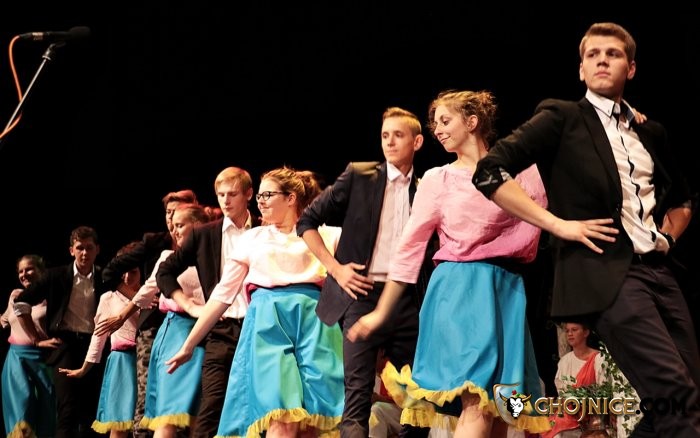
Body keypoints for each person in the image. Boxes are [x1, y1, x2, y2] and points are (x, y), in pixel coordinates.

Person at [472, 22, 700, 437]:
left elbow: (683, 198)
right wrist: (557, 225)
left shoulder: (648, 131)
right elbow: (489, 172)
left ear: (631, 68)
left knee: (676, 400)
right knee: (676, 394)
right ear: (581, 70)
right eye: (592, 55)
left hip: (659, 273)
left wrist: (667, 237)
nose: (602, 60)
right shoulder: (563, 117)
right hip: (609, 275)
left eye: (613, 54)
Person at [348, 90, 550, 437]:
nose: (437, 130)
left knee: (501, 408)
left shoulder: (523, 172)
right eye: (435, 123)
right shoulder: (439, 179)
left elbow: (540, 225)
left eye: (445, 120)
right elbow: (410, 247)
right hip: (461, 291)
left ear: (472, 122)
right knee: (476, 401)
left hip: (506, 291)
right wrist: (382, 311)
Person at [165, 166, 345, 438]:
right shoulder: (253, 239)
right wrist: (189, 344)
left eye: (267, 195)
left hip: (315, 326)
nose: (260, 201)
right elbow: (222, 295)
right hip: (268, 328)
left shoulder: (328, 235)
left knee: (313, 423)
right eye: (259, 195)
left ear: (291, 198)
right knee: (281, 417)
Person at [297, 106, 433, 438]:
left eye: (398, 135)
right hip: (361, 294)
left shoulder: (426, 188)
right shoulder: (359, 175)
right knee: (357, 395)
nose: (389, 142)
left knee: (420, 400)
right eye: (385, 135)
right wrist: (335, 269)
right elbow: (307, 222)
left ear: (417, 142)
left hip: (407, 300)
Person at [155, 166, 261, 438]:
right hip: (221, 331)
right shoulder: (204, 234)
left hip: (259, 328)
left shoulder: (265, 229)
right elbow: (164, 272)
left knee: (258, 408)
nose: (225, 201)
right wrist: (190, 306)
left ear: (249, 194)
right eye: (221, 195)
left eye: (232, 194)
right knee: (211, 408)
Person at [96, 189, 198, 438]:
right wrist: (136, 300)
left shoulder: (207, 240)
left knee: (190, 400)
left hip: (196, 326)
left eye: (177, 211)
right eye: (168, 212)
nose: (171, 218)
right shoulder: (157, 244)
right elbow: (112, 273)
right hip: (156, 327)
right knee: (150, 397)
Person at [13, 226, 104, 438]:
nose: (84, 253)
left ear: (97, 250)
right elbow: (21, 303)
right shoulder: (56, 275)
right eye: (79, 248)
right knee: (67, 410)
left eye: (89, 248)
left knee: (92, 410)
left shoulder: (104, 276)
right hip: (66, 345)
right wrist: (36, 340)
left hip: (94, 345)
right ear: (71, 250)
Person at [135, 203, 215, 437]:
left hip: (210, 333)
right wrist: (121, 315)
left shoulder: (215, 255)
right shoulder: (168, 257)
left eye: (180, 225)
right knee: (169, 411)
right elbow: (148, 290)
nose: (174, 230)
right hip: (177, 332)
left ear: (198, 226)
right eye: (173, 226)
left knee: (201, 413)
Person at [59, 242, 142, 438]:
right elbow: (98, 337)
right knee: (119, 424)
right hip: (122, 362)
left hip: (146, 361)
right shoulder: (109, 298)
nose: (127, 277)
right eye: (123, 272)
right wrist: (84, 369)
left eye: (133, 271)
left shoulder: (150, 295)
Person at [1, 254, 55, 438]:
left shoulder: (51, 297)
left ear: (41, 271)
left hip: (43, 360)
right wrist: (2, 319)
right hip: (16, 360)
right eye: (20, 271)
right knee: (21, 413)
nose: (24, 274)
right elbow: (5, 318)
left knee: (47, 412)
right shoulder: (15, 295)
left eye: (29, 269)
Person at [543, 322, 605, 438]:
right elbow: (562, 394)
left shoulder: (599, 359)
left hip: (593, 414)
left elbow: (603, 392)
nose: (570, 334)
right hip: (570, 413)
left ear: (586, 332)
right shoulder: (565, 361)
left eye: (574, 330)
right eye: (567, 331)